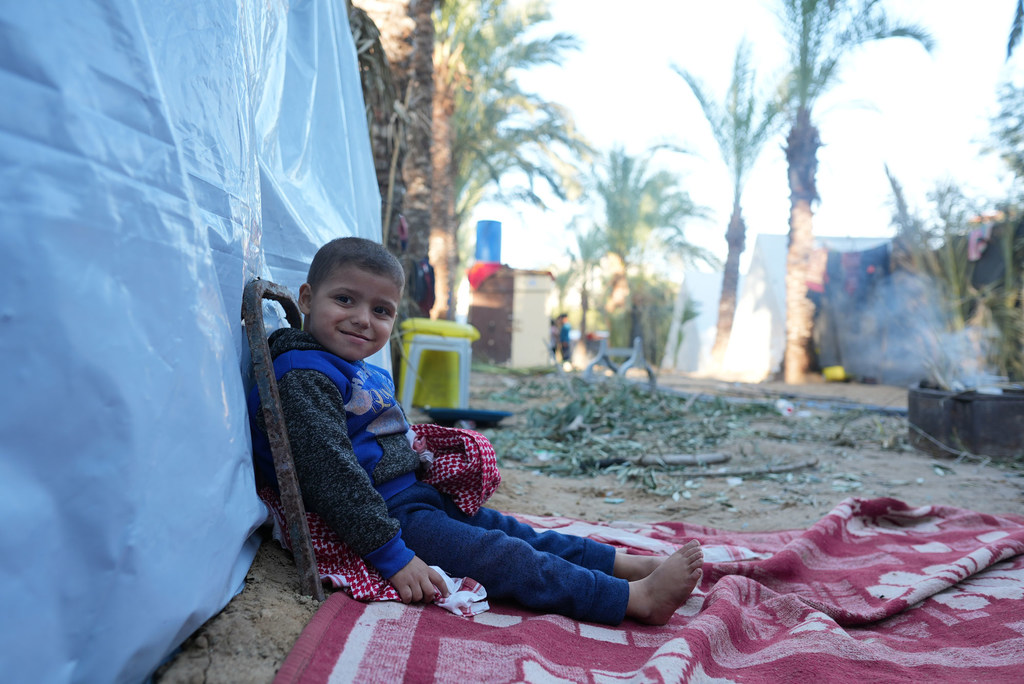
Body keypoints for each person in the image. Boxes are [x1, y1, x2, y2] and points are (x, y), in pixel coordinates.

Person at [248, 237, 702, 625]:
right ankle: (630, 600)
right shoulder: (304, 375)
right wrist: (394, 557)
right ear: (307, 299)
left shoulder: (349, 366)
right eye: (345, 300)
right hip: (389, 520)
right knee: (503, 556)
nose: (363, 319)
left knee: (515, 532)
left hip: (411, 495)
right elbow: (332, 478)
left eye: (381, 310)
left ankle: (622, 565)